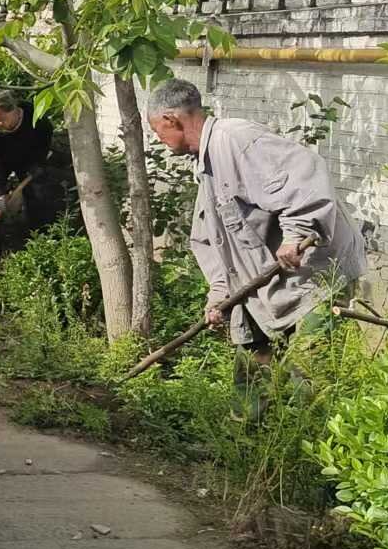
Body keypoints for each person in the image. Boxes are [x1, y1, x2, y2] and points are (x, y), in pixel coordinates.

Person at [144, 77, 364, 367]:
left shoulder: (237, 140)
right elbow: (210, 240)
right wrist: (220, 294)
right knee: (250, 372)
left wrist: (296, 234)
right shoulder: (207, 165)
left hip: (316, 277)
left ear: (171, 120)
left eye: (156, 131)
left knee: (308, 374)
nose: (158, 138)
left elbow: (305, 173)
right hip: (271, 287)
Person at [0, 89, 69, 261]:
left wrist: (37, 164)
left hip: (29, 159)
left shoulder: (36, 118)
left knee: (40, 195)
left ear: (14, 111)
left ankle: (42, 247)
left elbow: (44, 142)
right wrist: (0, 196)